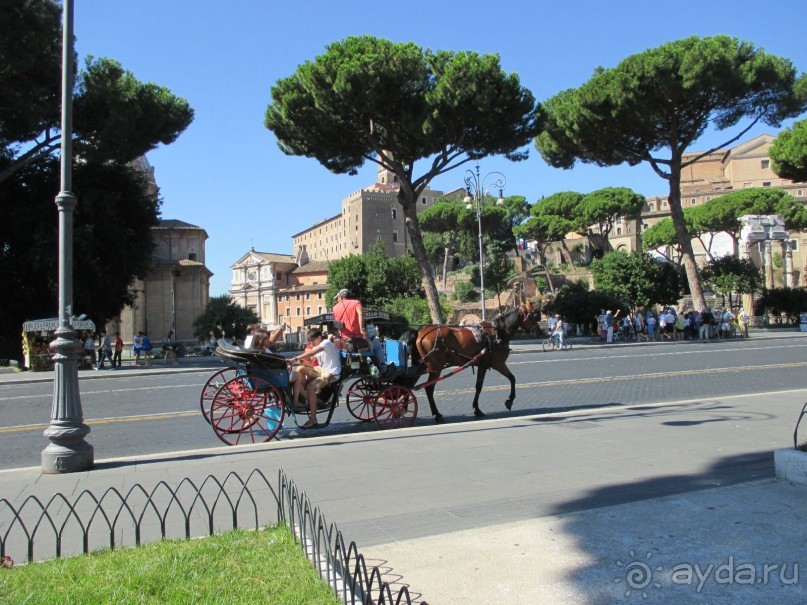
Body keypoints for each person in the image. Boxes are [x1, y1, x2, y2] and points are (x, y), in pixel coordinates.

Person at [290, 328, 342, 429]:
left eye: (312, 340)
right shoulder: (318, 346)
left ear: (319, 337)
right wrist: (297, 363)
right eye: (309, 341)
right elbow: (310, 361)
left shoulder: (326, 343)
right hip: (322, 370)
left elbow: (311, 353)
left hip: (331, 374)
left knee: (310, 387)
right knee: (300, 369)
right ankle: (303, 398)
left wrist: (295, 359)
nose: (311, 343)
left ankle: (313, 419)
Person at [333, 289, 386, 372]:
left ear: (341, 297)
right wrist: (362, 329)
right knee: (376, 344)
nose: (337, 300)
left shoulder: (335, 308)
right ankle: (383, 368)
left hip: (343, 342)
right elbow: (360, 314)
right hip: (357, 341)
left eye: (337, 298)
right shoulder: (356, 303)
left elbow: (337, 323)